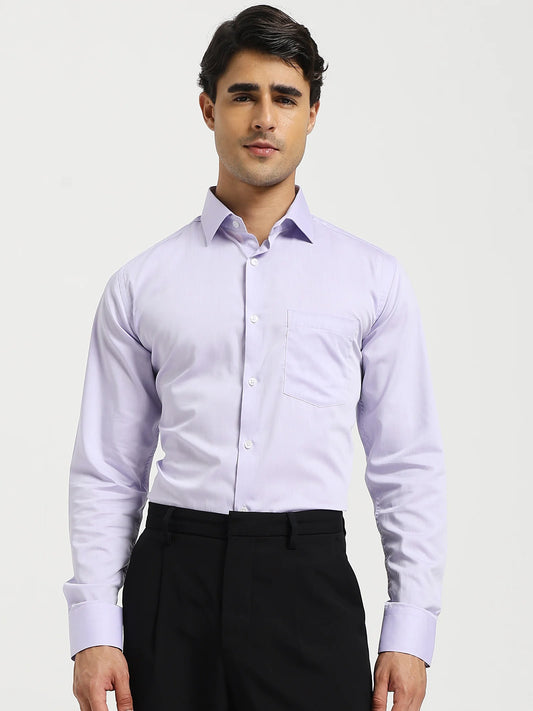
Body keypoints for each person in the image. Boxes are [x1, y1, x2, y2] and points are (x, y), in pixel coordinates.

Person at [63, 4, 447, 711]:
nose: (264, 118)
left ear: (312, 113)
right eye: (243, 95)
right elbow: (108, 467)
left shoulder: (371, 280)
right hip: (172, 583)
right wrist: (94, 630)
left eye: (285, 98)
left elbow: (406, 462)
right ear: (208, 109)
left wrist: (411, 627)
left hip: (307, 583)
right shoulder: (142, 284)